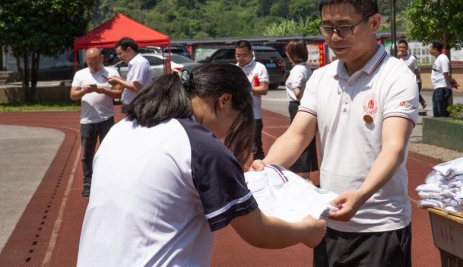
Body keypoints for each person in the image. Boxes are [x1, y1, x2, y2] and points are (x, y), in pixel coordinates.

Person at [77, 64, 326, 266]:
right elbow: (258, 232)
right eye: (237, 121)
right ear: (224, 101)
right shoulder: (199, 146)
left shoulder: (122, 129)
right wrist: (307, 230)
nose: (229, 131)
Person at [253, 0, 419, 266]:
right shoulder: (321, 78)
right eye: (327, 27)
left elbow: (393, 148)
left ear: (374, 23)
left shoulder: (397, 77)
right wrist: (266, 168)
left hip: (380, 227)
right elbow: (296, 136)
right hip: (327, 221)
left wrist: (360, 196)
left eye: (345, 27)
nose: (334, 36)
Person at [70, 48, 123, 197]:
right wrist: (83, 91)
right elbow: (73, 95)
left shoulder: (111, 73)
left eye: (96, 61)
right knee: (87, 154)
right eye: (90, 62)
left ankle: (109, 181)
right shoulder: (80, 74)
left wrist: (102, 90)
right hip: (87, 120)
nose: (93, 65)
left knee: (108, 151)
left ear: (102, 58)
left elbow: (119, 92)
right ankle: (88, 183)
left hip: (106, 118)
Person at [284, 39, 318, 180]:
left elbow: (297, 90)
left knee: (299, 137)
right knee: (308, 139)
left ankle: (302, 173)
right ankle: (311, 170)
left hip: (297, 105)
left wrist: (303, 101)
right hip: (302, 105)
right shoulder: (306, 68)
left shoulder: (297, 70)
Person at [235, 40, 269, 160]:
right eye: (238, 55)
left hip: (254, 115)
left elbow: (264, 89)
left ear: (251, 53)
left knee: (256, 148)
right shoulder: (234, 69)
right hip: (237, 116)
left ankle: (260, 175)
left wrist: (246, 90)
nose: (241, 58)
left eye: (244, 55)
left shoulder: (259, 68)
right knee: (236, 147)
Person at [107, 37, 152, 106]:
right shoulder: (135, 63)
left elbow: (135, 87)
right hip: (134, 105)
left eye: (120, 53)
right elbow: (133, 83)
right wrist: (119, 79)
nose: (119, 57)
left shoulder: (139, 62)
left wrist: (117, 80)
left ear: (129, 50)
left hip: (137, 105)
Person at [429, 40, 457, 117]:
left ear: (435, 49)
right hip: (437, 88)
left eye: (430, 47)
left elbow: (446, 74)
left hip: (442, 89)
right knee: (436, 112)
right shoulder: (438, 59)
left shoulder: (443, 58)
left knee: (442, 112)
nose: (429, 49)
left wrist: (452, 81)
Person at [397, 39, 427, 109]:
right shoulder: (396, 58)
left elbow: (417, 71)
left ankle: (413, 109)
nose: (401, 49)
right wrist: (397, 57)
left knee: (412, 97)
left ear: (407, 48)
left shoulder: (412, 58)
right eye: (400, 47)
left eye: (403, 47)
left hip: (411, 81)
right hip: (400, 82)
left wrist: (414, 80)